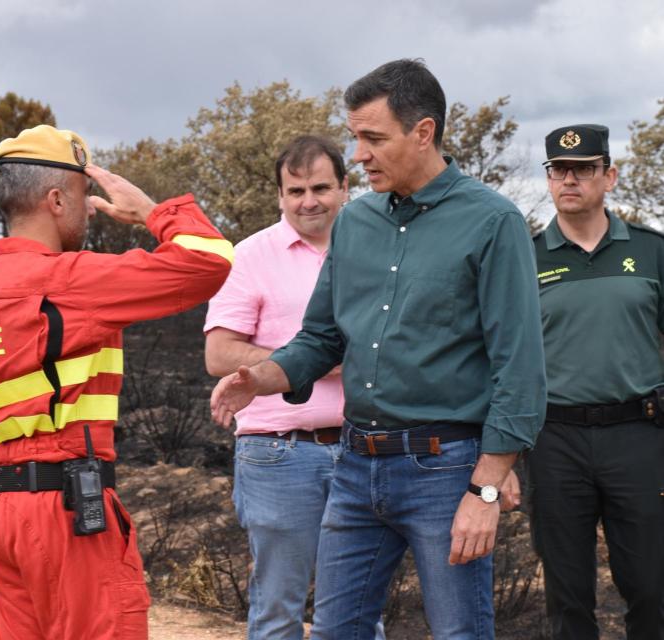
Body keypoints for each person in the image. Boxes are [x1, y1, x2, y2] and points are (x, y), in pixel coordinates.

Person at [211, 58, 547, 640]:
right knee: (336, 631)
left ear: (423, 132)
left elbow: (519, 367)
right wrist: (262, 377)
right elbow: (322, 338)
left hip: (446, 470)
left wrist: (487, 488)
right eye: (356, 137)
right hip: (355, 465)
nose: (359, 154)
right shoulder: (355, 221)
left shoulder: (493, 222)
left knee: (460, 633)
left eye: (373, 138)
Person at [0, 124, 233, 639]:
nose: (91, 209)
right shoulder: (74, 279)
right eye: (82, 195)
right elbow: (210, 260)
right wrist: (151, 211)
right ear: (55, 200)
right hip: (69, 515)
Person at [204, 135, 351, 640]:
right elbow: (219, 353)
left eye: (320, 188)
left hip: (365, 449)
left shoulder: (374, 249)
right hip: (279, 454)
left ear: (345, 187)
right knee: (278, 610)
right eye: (296, 191)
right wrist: (310, 362)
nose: (309, 201)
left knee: (357, 607)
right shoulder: (249, 256)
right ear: (279, 196)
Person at [526, 124, 664, 639]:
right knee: (568, 597)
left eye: (584, 169)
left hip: (639, 434)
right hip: (554, 440)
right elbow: (503, 355)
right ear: (548, 179)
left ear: (609, 176)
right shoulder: (525, 257)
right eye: (559, 169)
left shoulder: (651, 251)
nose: (570, 179)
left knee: (652, 587)